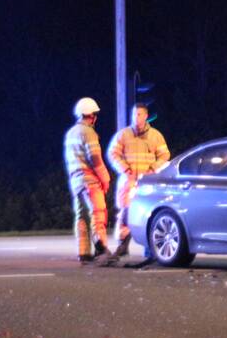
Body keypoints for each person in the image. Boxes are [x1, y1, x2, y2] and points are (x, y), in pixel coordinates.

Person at [107, 103, 171, 256]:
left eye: (139, 114)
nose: (136, 118)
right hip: (129, 181)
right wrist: (125, 169)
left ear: (146, 116)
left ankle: (150, 250)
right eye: (134, 114)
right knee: (125, 214)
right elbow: (112, 154)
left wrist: (153, 169)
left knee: (148, 214)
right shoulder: (123, 135)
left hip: (147, 182)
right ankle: (123, 245)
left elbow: (165, 155)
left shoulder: (155, 136)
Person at [64, 97, 113, 264]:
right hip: (89, 181)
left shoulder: (70, 133)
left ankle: (83, 253)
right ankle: (101, 249)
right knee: (98, 213)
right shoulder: (89, 133)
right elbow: (95, 159)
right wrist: (105, 179)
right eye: (95, 115)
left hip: (75, 182)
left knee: (81, 216)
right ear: (91, 116)